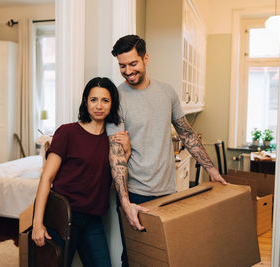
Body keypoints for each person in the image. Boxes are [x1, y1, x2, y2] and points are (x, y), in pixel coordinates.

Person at [106, 35, 227, 267]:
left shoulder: (167, 92)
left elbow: (186, 133)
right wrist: (125, 202)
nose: (128, 71)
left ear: (146, 58)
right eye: (122, 66)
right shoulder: (116, 99)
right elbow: (116, 154)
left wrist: (212, 169)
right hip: (136, 194)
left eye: (133, 64)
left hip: (168, 191)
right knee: (134, 258)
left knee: (163, 257)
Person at [32, 77, 129, 267]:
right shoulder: (67, 132)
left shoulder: (112, 140)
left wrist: (128, 150)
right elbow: (47, 177)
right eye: (93, 99)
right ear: (86, 102)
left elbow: (113, 179)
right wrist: (37, 223)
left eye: (105, 100)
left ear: (112, 104)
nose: (98, 106)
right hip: (63, 217)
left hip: (93, 221)